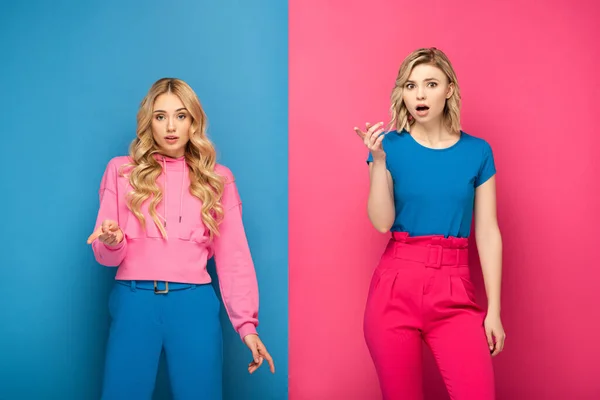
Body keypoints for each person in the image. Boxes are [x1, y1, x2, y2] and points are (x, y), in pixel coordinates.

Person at [86, 77, 275, 400]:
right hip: (134, 302)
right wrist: (113, 240)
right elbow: (105, 256)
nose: (170, 126)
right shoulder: (121, 171)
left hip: (194, 305)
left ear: (193, 122)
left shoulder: (218, 179)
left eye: (181, 115)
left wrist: (247, 327)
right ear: (149, 122)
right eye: (160, 116)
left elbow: (235, 259)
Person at [354, 47, 506, 400]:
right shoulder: (389, 147)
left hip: (455, 288)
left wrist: (494, 311)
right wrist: (378, 162)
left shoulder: (477, 151)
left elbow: (487, 231)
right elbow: (382, 222)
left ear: (449, 89)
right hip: (395, 288)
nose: (419, 94)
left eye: (430, 83)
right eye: (410, 85)